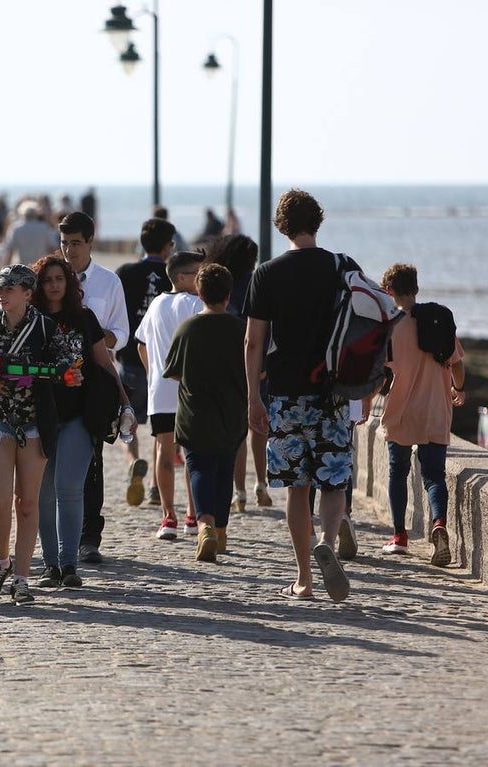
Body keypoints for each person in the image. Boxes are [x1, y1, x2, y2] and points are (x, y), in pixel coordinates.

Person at [244, 188, 359, 602]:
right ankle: (328, 537)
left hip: (286, 395)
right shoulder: (340, 267)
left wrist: (253, 397)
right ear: (318, 221)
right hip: (333, 393)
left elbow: (253, 343)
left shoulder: (268, 273)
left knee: (297, 487)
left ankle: (305, 578)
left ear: (282, 226)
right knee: (333, 481)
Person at [0, 264, 79, 606]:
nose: (2, 294)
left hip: (34, 425)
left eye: (10, 288)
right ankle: (1, 562)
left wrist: (68, 374)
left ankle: (22, 578)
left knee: (27, 504)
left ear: (29, 293)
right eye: (0, 288)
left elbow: (70, 365)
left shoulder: (45, 328)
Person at [31, 255, 124, 588]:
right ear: (38, 286)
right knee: (43, 493)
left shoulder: (84, 318)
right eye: (47, 280)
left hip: (80, 414)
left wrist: (123, 400)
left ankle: (69, 564)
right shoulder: (30, 320)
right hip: (38, 416)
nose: (53, 285)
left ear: (69, 283)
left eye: (59, 278)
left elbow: (102, 361)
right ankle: (49, 565)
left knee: (69, 488)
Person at [379, 263, 466, 566]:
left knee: (397, 471)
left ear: (389, 291)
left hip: (401, 411)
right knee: (433, 476)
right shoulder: (439, 320)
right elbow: (456, 364)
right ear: (416, 288)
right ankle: (439, 524)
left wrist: (363, 403)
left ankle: (399, 536)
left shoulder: (390, 327)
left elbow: (381, 374)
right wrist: (459, 389)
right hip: (435, 411)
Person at [56, 212, 130, 564]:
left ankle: (89, 535)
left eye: (76, 243)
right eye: (64, 243)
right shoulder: (50, 278)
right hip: (55, 381)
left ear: (90, 242)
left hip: (95, 379)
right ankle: (56, 534)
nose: (69, 251)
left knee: (92, 458)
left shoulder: (108, 282)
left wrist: (92, 339)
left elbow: (122, 331)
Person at [164, 263, 247, 562]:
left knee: (199, 467)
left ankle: (205, 525)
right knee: (225, 469)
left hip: (194, 412)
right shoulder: (241, 329)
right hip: (232, 411)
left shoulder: (187, 329)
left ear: (199, 293)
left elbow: (172, 372)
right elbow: (259, 371)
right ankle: (222, 532)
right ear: (228, 294)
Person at [134, 250, 204, 540]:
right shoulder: (197, 304)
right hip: (191, 389)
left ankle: (168, 517)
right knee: (191, 454)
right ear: (183, 277)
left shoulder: (157, 304)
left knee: (164, 450)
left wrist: (154, 372)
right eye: (199, 274)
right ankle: (191, 514)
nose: (203, 279)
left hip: (160, 389)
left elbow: (140, 344)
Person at [205, 234, 271, 511]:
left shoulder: (224, 287)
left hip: (232, 368)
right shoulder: (259, 283)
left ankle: (240, 491)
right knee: (260, 427)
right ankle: (261, 484)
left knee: (237, 432)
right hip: (261, 366)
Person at [115, 218, 176, 508]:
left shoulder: (126, 272)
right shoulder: (172, 275)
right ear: (168, 247)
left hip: (130, 357)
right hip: (164, 362)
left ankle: (133, 461)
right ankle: (154, 484)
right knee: (161, 428)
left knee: (128, 422)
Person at [2, 201, 57, 267]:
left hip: (21, 266)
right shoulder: (44, 227)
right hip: (40, 266)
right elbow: (52, 247)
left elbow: (9, 250)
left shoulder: (15, 228)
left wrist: (5, 267)